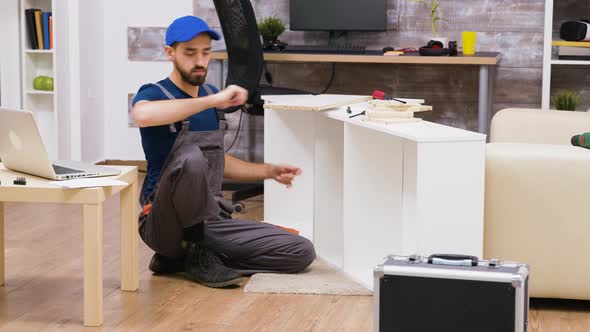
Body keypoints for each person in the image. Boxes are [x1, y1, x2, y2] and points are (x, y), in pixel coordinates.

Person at [131, 16, 316, 288]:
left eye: (205, 52)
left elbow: (218, 161)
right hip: (162, 224)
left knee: (301, 251)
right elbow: (142, 115)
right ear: (170, 53)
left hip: (211, 220)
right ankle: (193, 250)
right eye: (190, 52)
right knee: (190, 156)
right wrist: (212, 100)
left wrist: (268, 171)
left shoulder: (208, 94)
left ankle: (191, 256)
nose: (200, 61)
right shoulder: (156, 93)